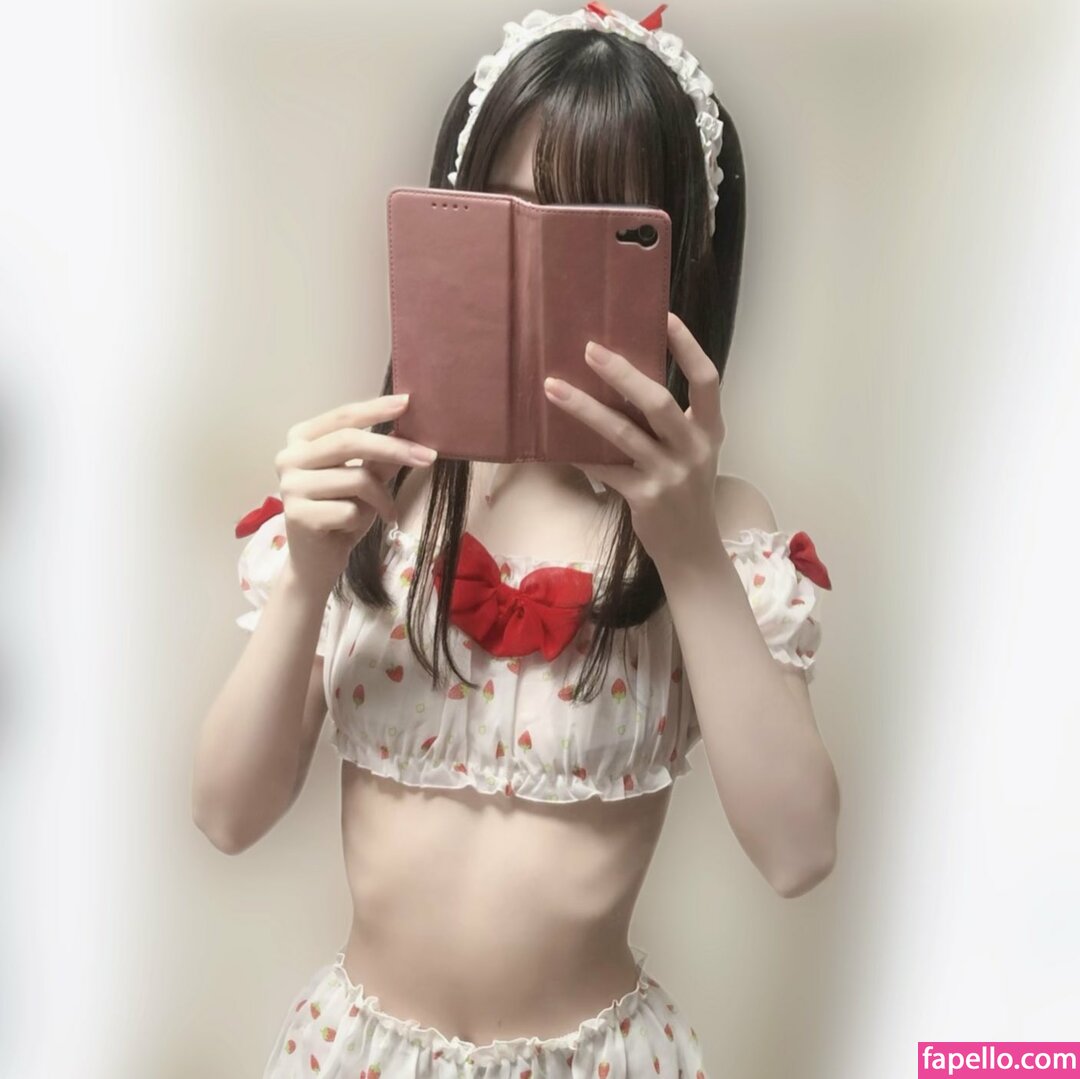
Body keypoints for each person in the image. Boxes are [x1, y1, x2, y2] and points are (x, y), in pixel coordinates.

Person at [192, 5, 841, 1076]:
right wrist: (306, 576)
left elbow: (799, 851)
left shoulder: (716, 530)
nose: (550, 275)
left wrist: (687, 552)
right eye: (515, 214)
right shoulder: (377, 492)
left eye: (604, 236)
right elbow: (225, 812)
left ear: (683, 263)